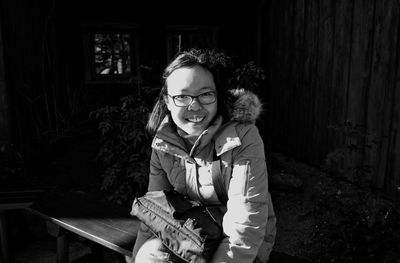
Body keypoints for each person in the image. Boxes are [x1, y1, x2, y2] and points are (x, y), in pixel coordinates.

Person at [129, 49, 276, 263]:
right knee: (150, 257)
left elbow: (245, 224)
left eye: (206, 94)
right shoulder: (163, 143)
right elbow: (155, 210)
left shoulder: (243, 137)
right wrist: (137, 256)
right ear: (167, 102)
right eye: (182, 96)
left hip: (243, 244)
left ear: (218, 96)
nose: (195, 105)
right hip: (192, 234)